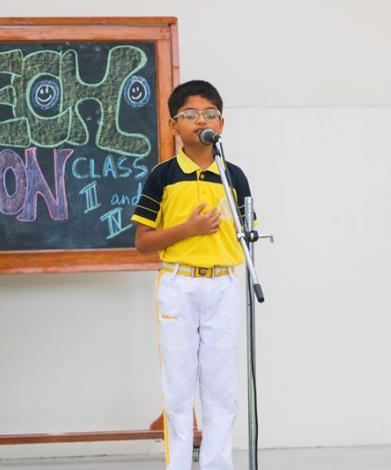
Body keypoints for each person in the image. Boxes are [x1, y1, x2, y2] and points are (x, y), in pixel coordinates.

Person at [131, 80, 254, 470]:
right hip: (179, 285)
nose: (201, 121)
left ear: (221, 124)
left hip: (223, 285)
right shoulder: (164, 176)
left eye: (210, 114)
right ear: (173, 125)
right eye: (190, 114)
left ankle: (218, 464)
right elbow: (142, 241)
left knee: (222, 389)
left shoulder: (234, 176)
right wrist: (188, 229)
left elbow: (248, 234)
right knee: (179, 390)